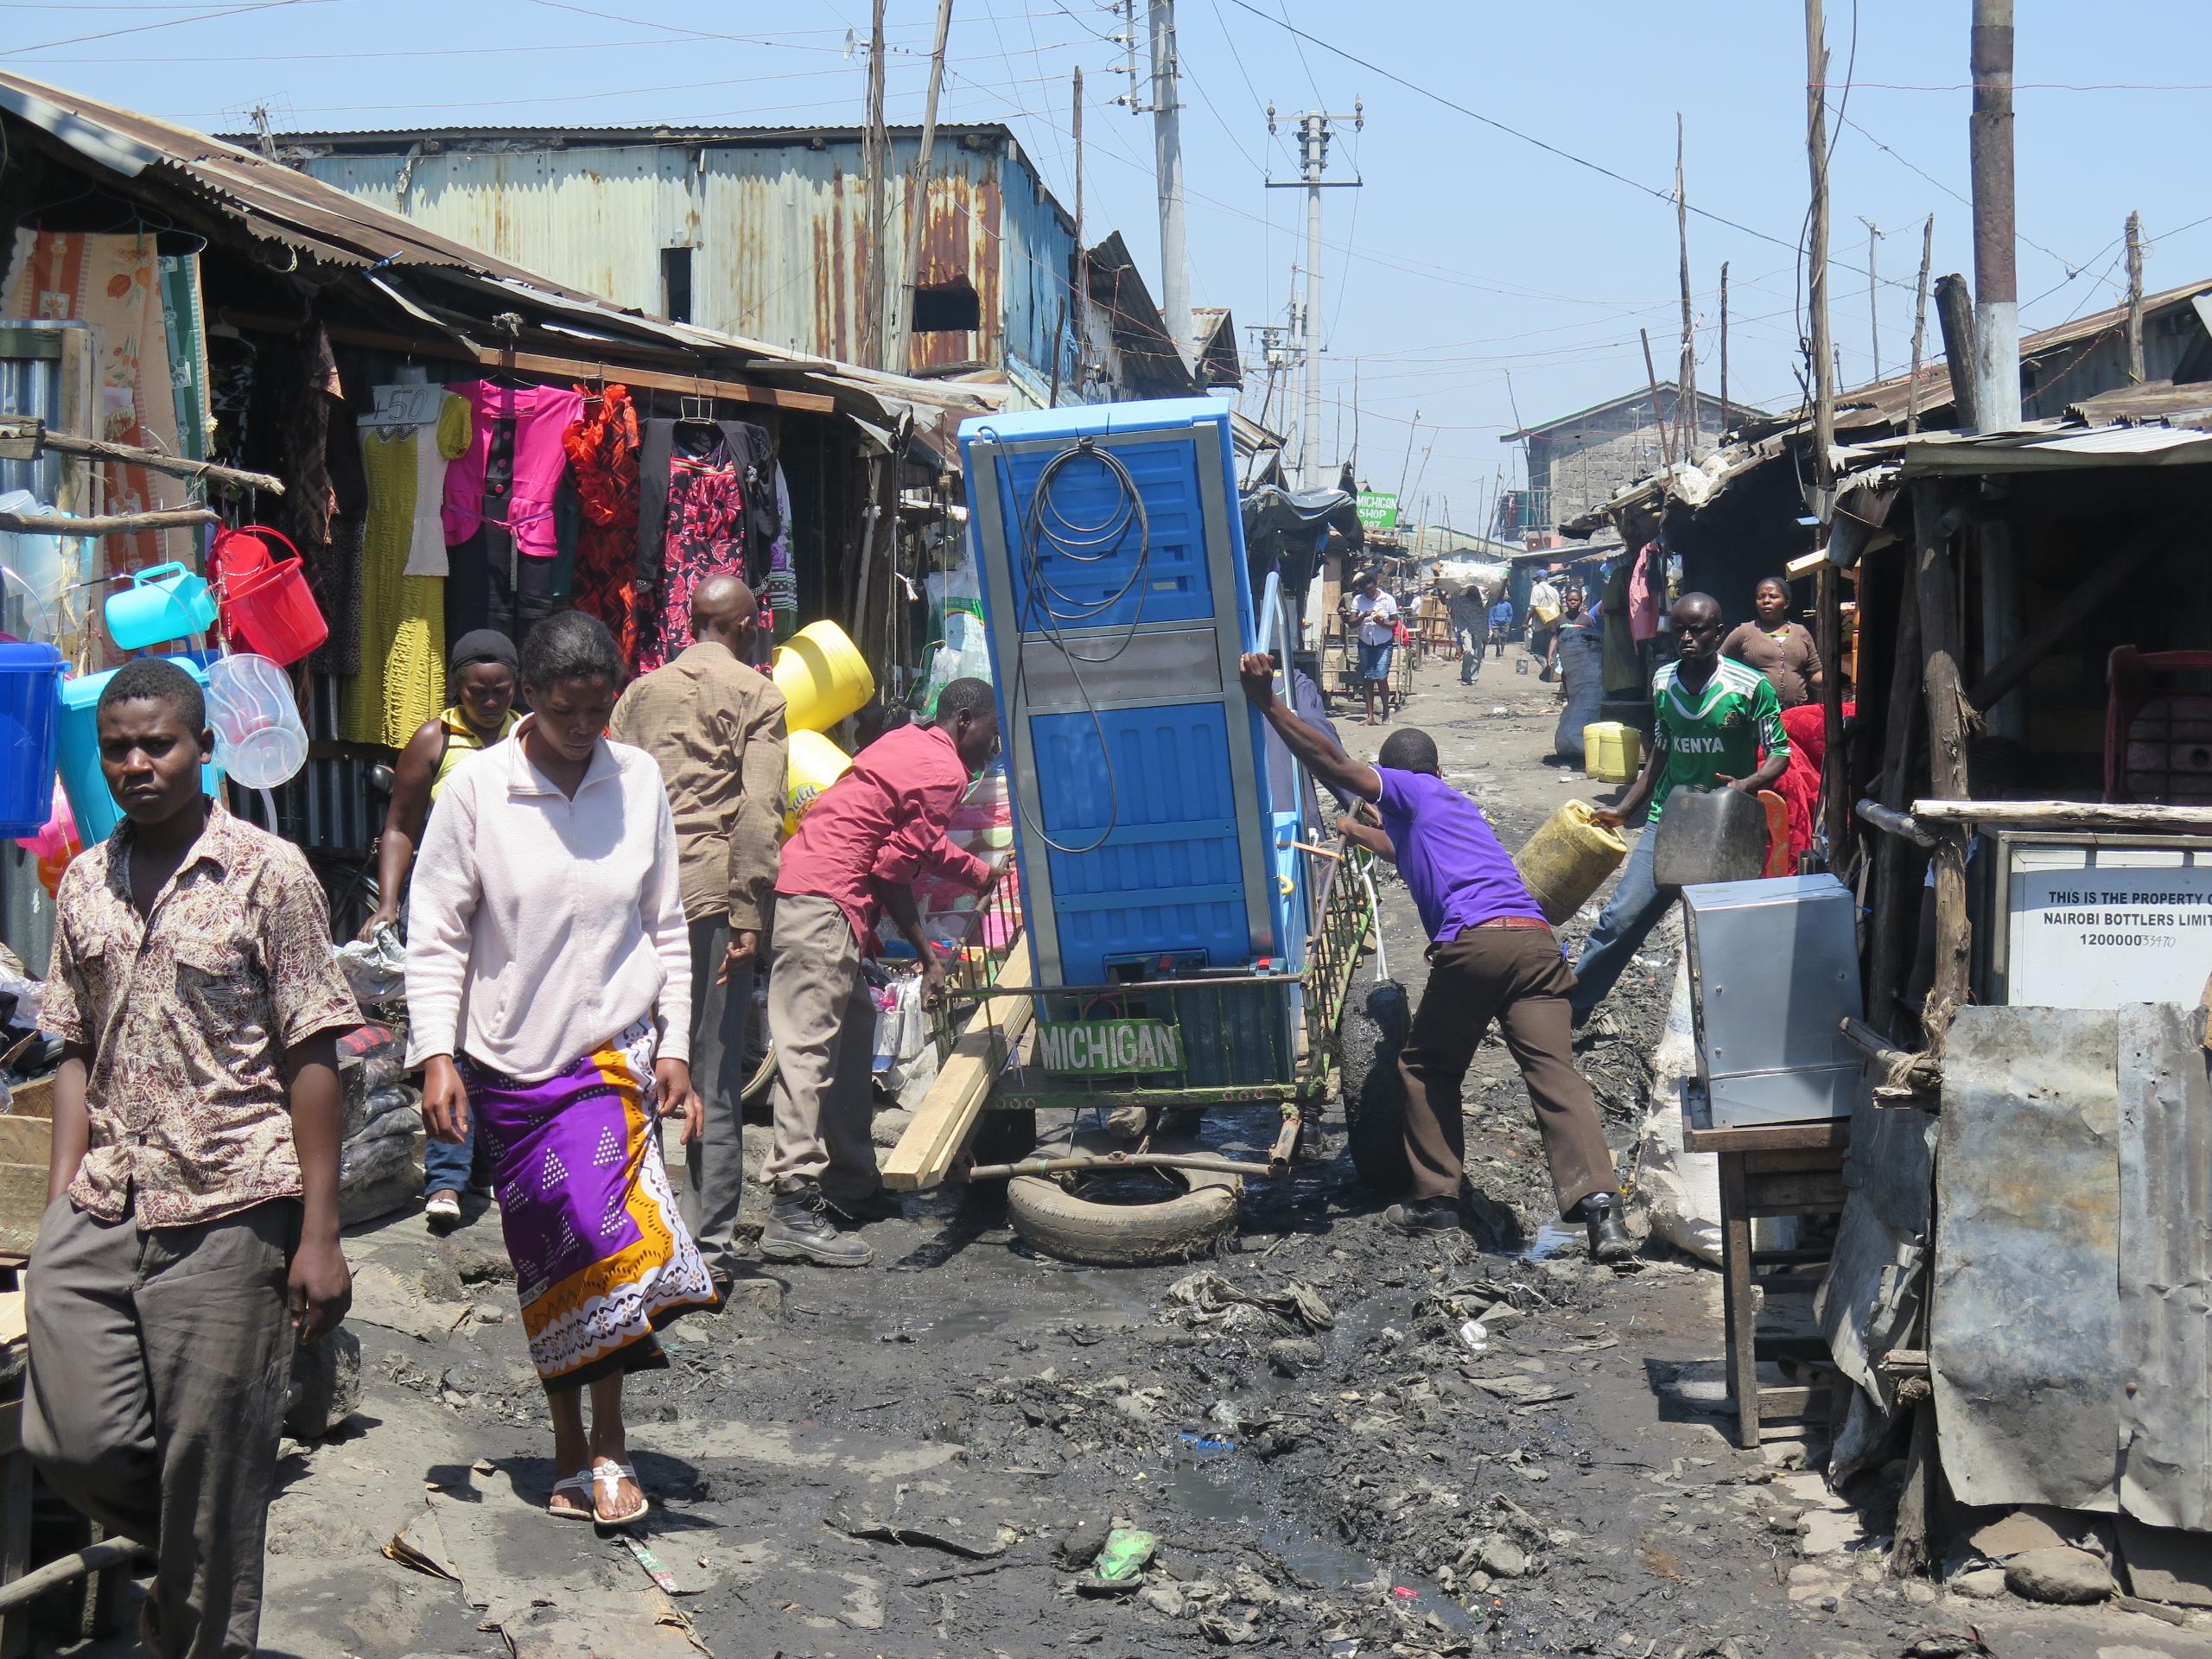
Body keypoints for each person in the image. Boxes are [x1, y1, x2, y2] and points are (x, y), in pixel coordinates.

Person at [26, 658, 360, 1656]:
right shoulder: (84, 877)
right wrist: (56, 1207)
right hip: (109, 1196)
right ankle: (196, 1531)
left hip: (231, 1196)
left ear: (203, 749)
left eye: (157, 744)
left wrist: (321, 1234)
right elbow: (72, 1041)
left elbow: (313, 1053)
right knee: (70, 1440)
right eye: (118, 748)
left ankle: (200, 1594)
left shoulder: (270, 873)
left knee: (210, 1480)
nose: (137, 764)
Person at [407, 611, 717, 1528]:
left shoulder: (639, 780)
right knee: (547, 1260)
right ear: (530, 700)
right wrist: (436, 1054)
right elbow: (437, 934)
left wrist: (676, 1046)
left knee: (607, 1240)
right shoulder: (475, 792)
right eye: (567, 710)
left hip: (608, 1054)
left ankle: (614, 1440)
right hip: (507, 1065)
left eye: (599, 710)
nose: (587, 728)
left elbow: (667, 924)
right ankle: (566, 1448)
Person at [1235, 653, 1633, 1262]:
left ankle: (1437, 1200)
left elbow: (1334, 763)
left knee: (1426, 1068)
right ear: (1441, 768)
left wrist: (1268, 704)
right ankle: (1604, 1215)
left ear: (1395, 780)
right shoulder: (1457, 809)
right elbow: (1401, 848)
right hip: (1534, 943)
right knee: (1555, 1075)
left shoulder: (1411, 787)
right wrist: (1355, 830)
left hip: (1476, 944)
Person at [762, 678, 1001, 1267]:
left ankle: (851, 1182)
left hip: (817, 886)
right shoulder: (945, 772)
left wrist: (982, 875)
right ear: (965, 720)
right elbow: (894, 871)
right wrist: (928, 955)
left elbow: (908, 844)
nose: (992, 750)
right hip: (823, 897)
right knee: (808, 1046)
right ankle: (791, 1201)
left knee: (853, 1030)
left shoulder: (908, 743)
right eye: (992, 736)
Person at [608, 575, 786, 1283]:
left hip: (634, 897)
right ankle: (707, 1247)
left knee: (634, 1061)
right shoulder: (760, 695)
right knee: (709, 1070)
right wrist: (751, 913)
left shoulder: (639, 693)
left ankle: (636, 1231)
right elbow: (758, 812)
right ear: (745, 625)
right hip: (710, 898)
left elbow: (608, 787)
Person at [360, 627, 522, 1230]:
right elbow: (400, 825)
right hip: (450, 905)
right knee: (448, 1038)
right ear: (458, 686)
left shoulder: (530, 736)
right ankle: (447, 1179)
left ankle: (485, 1168)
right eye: (477, 691)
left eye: (500, 691)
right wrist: (390, 902)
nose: (488, 702)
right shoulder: (435, 739)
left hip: (512, 913)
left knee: (500, 1036)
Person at [1567, 593, 1790, 1026]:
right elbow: (1661, 752)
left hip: (1728, 826)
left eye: (1698, 630)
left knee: (1722, 934)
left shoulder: (1750, 687)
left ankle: (1738, 1024)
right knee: (1619, 918)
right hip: (1668, 820)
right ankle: (1571, 1009)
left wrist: (1746, 785)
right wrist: (1625, 809)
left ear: (1718, 633)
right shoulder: (1663, 681)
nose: (1687, 638)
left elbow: (1779, 753)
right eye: (1680, 630)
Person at [1722, 575, 1824, 709]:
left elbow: (1814, 673)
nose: (1766, 601)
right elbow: (1720, 664)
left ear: (1786, 603)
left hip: (1796, 713)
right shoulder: (1744, 632)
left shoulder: (1801, 633)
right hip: (1757, 713)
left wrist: (1830, 676)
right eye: (1761, 597)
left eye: (1773, 596)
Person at [1546, 582, 1605, 760]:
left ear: (1581, 602)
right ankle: (1570, 701)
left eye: (1576, 600)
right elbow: (1555, 638)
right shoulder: (1560, 620)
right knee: (1568, 684)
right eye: (1570, 600)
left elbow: (1592, 639)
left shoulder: (1587, 620)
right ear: (1565, 601)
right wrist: (1550, 655)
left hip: (1584, 664)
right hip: (1566, 661)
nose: (1573, 603)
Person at [1448, 582, 1487, 684]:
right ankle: (1465, 675)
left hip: (1478, 631)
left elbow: (1498, 600)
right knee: (1469, 651)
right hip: (1466, 631)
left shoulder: (1483, 602)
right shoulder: (1460, 601)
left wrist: (1504, 584)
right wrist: (1440, 589)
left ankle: (1473, 677)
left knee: (1477, 656)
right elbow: (1445, 602)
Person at [1487, 592, 1515, 658]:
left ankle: (1502, 651)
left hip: (1505, 624)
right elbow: (1491, 614)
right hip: (1495, 623)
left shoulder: (1508, 605)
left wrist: (1508, 621)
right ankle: (1497, 647)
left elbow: (1510, 614)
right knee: (1496, 637)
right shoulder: (1494, 605)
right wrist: (1491, 623)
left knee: (1503, 637)